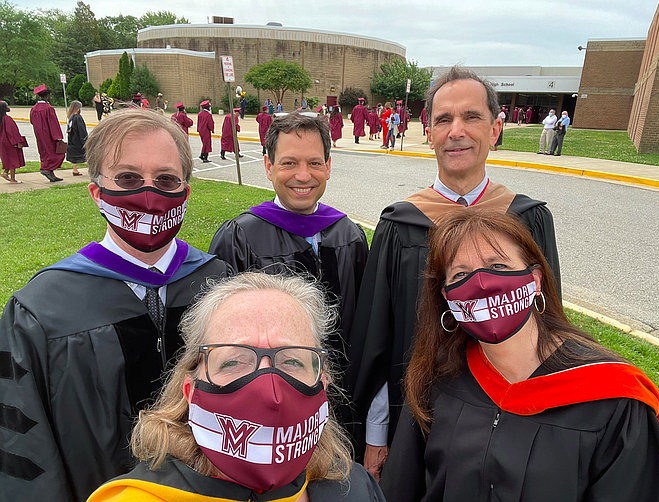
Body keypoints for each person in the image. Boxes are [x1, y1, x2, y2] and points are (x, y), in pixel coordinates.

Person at [0, 109, 231, 502]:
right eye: (127, 178)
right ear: (97, 193)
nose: (147, 192)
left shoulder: (219, 283)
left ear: (186, 191)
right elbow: (25, 449)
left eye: (165, 179)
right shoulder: (42, 310)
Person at [345, 66, 562, 479]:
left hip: (512, 411)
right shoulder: (400, 225)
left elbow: (549, 323)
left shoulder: (528, 219)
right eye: (443, 119)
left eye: (471, 117)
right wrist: (376, 433)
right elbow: (377, 336)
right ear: (429, 132)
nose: (455, 131)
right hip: (416, 416)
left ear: (496, 128)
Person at [381, 209, 659, 501]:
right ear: (447, 297)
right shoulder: (439, 378)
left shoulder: (614, 398)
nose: (482, 283)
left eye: (499, 266)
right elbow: (401, 488)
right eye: (461, 274)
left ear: (535, 280)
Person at [87, 272, 386, 502]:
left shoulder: (355, 488)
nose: (269, 391)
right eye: (233, 362)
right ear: (191, 391)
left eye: (292, 361)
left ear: (322, 384)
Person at [209, 112, 368, 402]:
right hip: (265, 397)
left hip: (345, 396)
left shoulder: (349, 236)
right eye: (289, 163)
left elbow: (365, 324)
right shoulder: (240, 237)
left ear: (328, 167)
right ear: (269, 166)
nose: (303, 175)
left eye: (314, 163)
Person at [30, 84, 65, 182]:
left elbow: (32, 121)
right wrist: (58, 137)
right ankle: (46, 170)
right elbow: (53, 124)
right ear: (47, 96)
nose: (51, 97)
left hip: (39, 135)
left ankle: (51, 173)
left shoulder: (34, 109)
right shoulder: (48, 108)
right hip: (49, 135)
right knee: (56, 153)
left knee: (44, 153)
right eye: (50, 95)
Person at [0, 100, 26, 184]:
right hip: (9, 142)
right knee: (13, 159)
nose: (9, 107)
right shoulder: (7, 119)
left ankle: (5, 172)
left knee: (8, 158)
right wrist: (18, 142)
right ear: (4, 108)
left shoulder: (1, 119)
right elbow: (12, 132)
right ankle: (13, 179)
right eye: (7, 106)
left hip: (2, 141)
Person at [66, 100, 86, 176]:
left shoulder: (71, 117)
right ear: (78, 108)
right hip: (78, 139)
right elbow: (82, 130)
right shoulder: (78, 117)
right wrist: (84, 139)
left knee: (74, 156)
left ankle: (75, 169)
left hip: (73, 139)